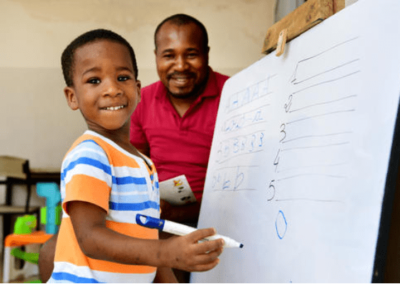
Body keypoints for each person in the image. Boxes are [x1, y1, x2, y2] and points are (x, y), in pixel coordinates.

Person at [43, 28, 224, 283]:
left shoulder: (144, 163)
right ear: (72, 97)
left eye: (123, 77)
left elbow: (148, 241)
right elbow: (89, 238)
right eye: (94, 80)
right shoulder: (89, 154)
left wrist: (164, 258)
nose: (112, 89)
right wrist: (166, 252)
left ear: (138, 90)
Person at [130, 14, 229, 225]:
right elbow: (134, 166)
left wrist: (180, 214)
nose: (181, 66)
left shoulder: (233, 94)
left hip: (221, 219)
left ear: (207, 54)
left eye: (191, 55)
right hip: (158, 217)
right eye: (169, 56)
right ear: (156, 57)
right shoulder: (142, 100)